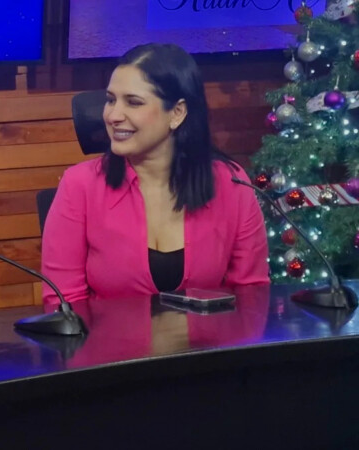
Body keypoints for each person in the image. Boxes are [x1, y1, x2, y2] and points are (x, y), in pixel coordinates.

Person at [41, 43, 269, 307]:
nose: (113, 115)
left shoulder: (232, 184)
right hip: (110, 346)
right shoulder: (79, 185)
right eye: (110, 99)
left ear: (177, 113)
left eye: (133, 102)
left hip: (210, 345)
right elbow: (63, 303)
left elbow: (251, 294)